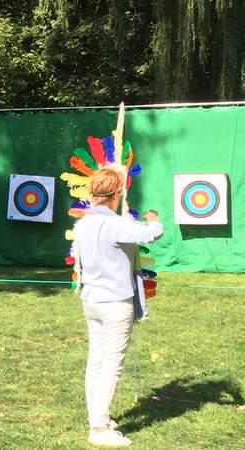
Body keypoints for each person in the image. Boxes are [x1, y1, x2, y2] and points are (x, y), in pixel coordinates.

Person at [73, 166, 163, 447]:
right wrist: (154, 220)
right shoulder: (113, 224)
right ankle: (98, 429)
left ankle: (97, 418)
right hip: (114, 303)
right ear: (116, 194)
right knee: (110, 364)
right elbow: (150, 235)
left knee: (97, 361)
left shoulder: (84, 223)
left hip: (92, 300)